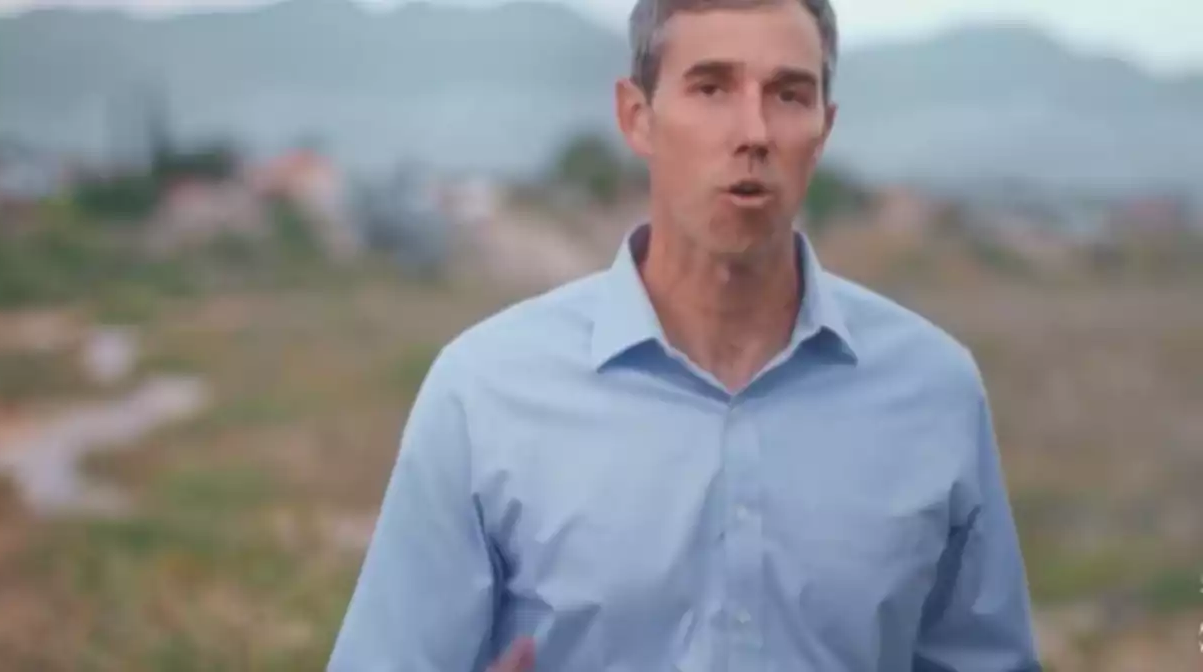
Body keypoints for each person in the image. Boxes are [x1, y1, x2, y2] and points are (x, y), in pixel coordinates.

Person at [327, 0, 1043, 669]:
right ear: (637, 117)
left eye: (788, 95)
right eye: (712, 88)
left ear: (823, 127)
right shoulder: (482, 394)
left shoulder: (934, 391)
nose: (754, 133)